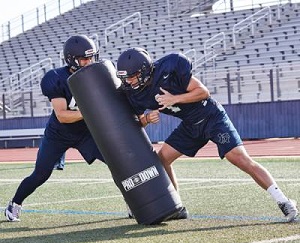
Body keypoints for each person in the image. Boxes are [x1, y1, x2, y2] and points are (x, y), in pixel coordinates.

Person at [116, 47, 299, 222]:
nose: (129, 81)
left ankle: (284, 201)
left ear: (145, 70)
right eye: (126, 78)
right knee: (162, 159)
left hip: (211, 116)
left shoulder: (169, 68)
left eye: (132, 76)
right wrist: (147, 118)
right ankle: (176, 205)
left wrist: (174, 98)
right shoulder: (135, 93)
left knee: (239, 158)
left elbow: (203, 92)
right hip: (190, 126)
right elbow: (137, 122)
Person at [4, 35, 107, 222]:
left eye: (91, 57)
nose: (89, 62)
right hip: (59, 133)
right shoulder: (57, 78)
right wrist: (92, 112)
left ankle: (132, 201)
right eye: (85, 58)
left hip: (85, 133)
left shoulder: (96, 74)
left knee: (117, 163)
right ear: (71, 59)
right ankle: (15, 203)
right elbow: (62, 115)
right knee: (41, 174)